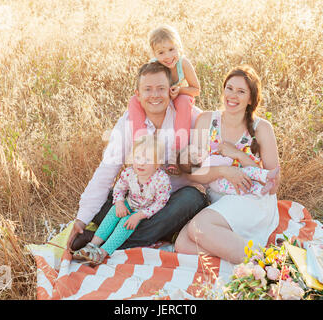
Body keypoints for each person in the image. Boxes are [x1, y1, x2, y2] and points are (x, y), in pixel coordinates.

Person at [66, 61, 252, 254]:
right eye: (148, 89)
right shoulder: (127, 123)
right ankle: (148, 234)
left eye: (161, 88)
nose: (154, 95)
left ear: (171, 90)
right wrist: (82, 219)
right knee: (104, 200)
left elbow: (211, 156)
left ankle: (106, 241)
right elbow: (107, 170)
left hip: (172, 203)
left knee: (193, 198)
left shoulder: (192, 118)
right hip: (137, 199)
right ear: (138, 94)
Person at [174, 65, 281, 264]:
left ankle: (264, 264)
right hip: (220, 202)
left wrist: (239, 155)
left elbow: (274, 185)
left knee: (199, 227)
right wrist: (224, 170)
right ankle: (240, 250)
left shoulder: (262, 128)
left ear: (251, 98)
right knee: (183, 244)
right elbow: (192, 173)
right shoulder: (206, 120)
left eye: (241, 91)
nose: (233, 95)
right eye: (229, 88)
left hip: (251, 199)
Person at [72, 135, 171, 265]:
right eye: (138, 158)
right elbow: (119, 189)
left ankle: (102, 252)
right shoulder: (129, 173)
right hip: (130, 203)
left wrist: (139, 216)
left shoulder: (161, 180)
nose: (141, 163)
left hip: (146, 211)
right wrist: (119, 203)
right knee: (114, 212)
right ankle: (92, 245)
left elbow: (160, 202)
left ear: (157, 163)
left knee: (126, 222)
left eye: (147, 160)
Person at [128, 25, 201, 174]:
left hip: (177, 95)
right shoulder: (154, 65)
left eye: (171, 49)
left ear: (178, 47)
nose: (168, 56)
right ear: (154, 53)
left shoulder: (183, 63)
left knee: (184, 101)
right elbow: (147, 86)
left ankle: (176, 153)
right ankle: (141, 147)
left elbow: (196, 90)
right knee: (134, 100)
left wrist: (180, 90)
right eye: (161, 52)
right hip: (161, 96)